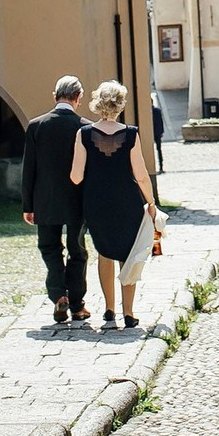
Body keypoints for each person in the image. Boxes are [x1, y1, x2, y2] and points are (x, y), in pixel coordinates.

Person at [69, 80, 161, 330]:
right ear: (120, 104)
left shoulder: (84, 134)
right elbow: (141, 174)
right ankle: (128, 312)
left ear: (98, 103)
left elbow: (76, 176)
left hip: (96, 200)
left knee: (104, 251)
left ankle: (109, 309)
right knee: (127, 252)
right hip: (127, 199)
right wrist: (151, 202)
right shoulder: (131, 133)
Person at [22, 75, 90, 324]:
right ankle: (77, 304)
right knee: (77, 251)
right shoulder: (85, 127)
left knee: (49, 248)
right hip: (77, 200)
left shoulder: (36, 126)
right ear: (78, 98)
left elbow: (29, 169)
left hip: (45, 200)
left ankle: (58, 295)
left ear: (55, 96)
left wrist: (28, 206)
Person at [150, 92, 166, 175]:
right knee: (159, 150)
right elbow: (161, 122)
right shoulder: (157, 110)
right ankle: (161, 166)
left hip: (151, 133)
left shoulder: (148, 112)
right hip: (157, 132)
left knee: (151, 149)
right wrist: (161, 131)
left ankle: (156, 167)